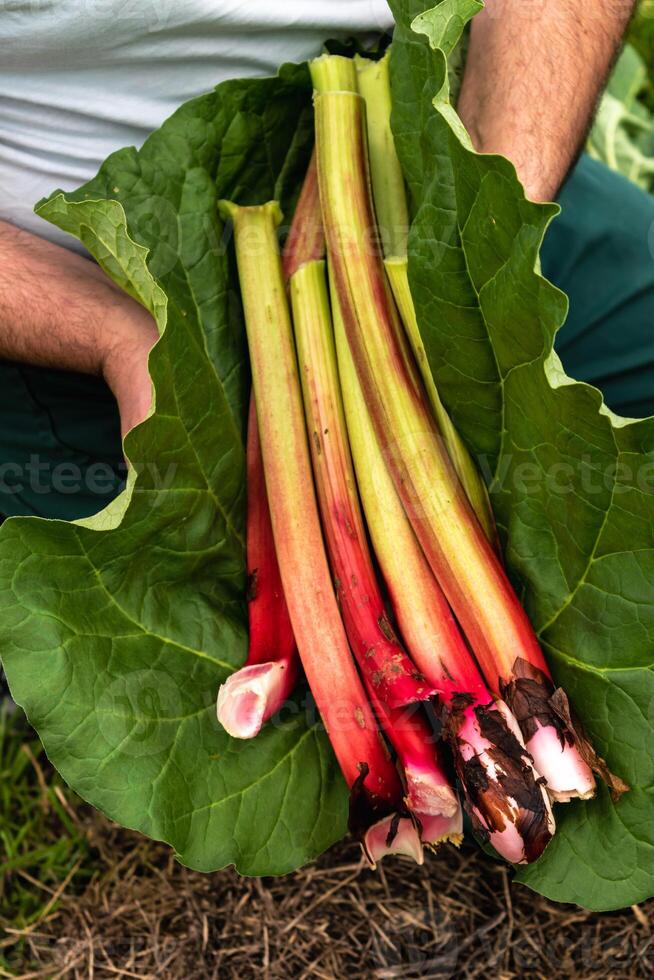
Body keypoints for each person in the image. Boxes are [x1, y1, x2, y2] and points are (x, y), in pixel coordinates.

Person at [0, 0, 648, 522]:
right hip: (76, 289)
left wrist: (493, 223)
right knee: (191, 616)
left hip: (451, 168)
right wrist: (118, 340)